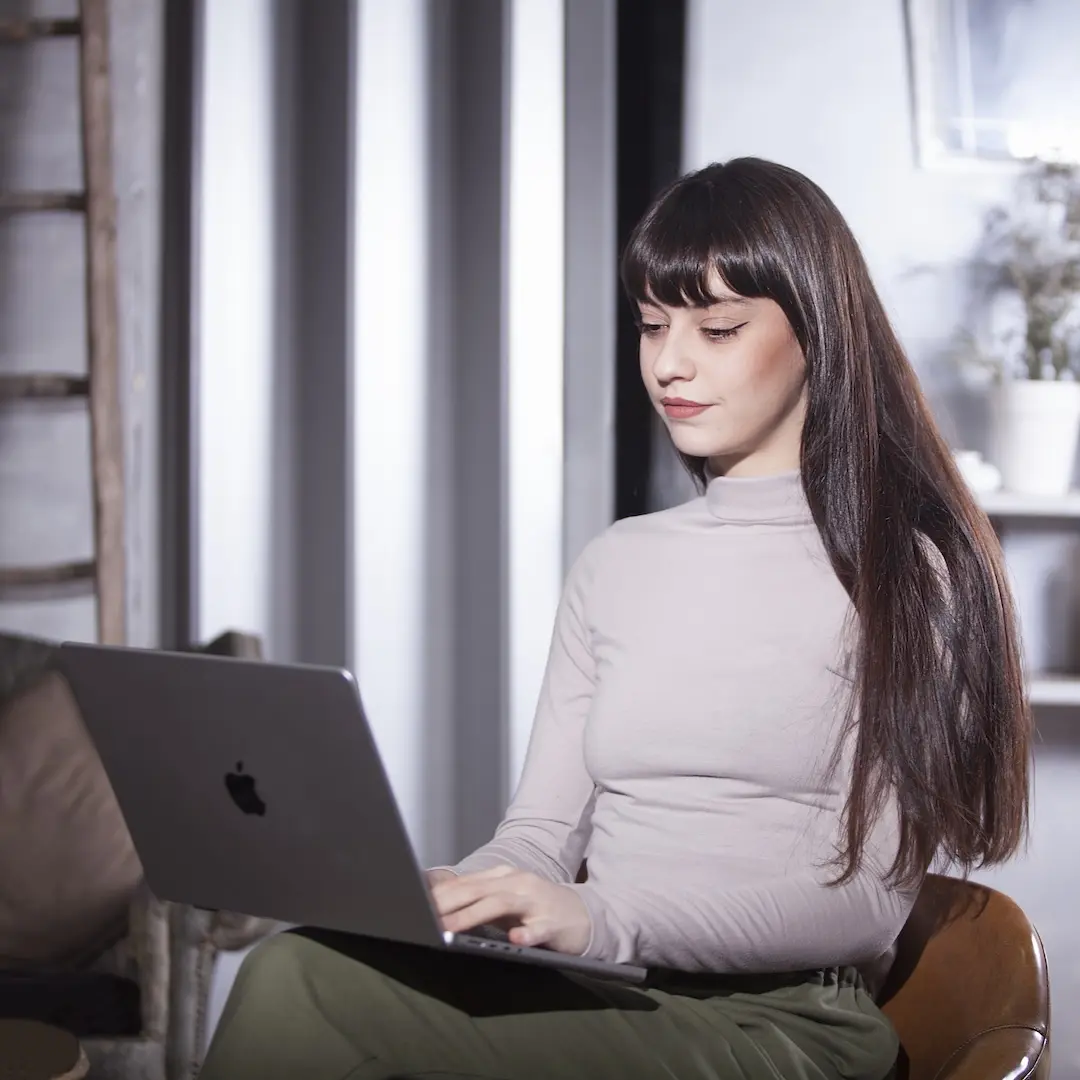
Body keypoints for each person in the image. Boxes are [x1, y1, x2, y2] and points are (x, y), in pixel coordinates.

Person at [197, 158, 1031, 1080]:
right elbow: (542, 833)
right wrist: (458, 897)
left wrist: (603, 918)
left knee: (301, 991)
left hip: (785, 1025)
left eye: (716, 328)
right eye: (650, 324)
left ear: (819, 336)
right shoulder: (617, 563)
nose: (669, 362)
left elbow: (870, 904)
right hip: (614, 987)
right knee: (301, 963)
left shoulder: (909, 577)